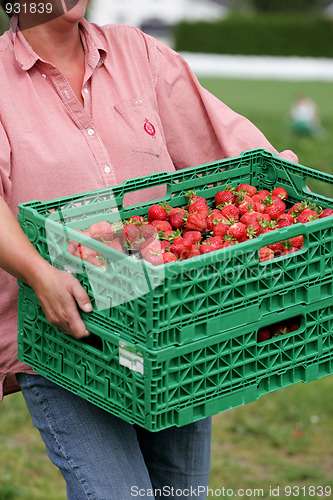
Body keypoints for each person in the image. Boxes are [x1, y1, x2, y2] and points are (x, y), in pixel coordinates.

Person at [0, 1, 297, 499]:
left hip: (171, 330)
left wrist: (300, 199)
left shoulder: (139, 55)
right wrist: (37, 271)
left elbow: (231, 145)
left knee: (181, 493)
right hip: (69, 338)